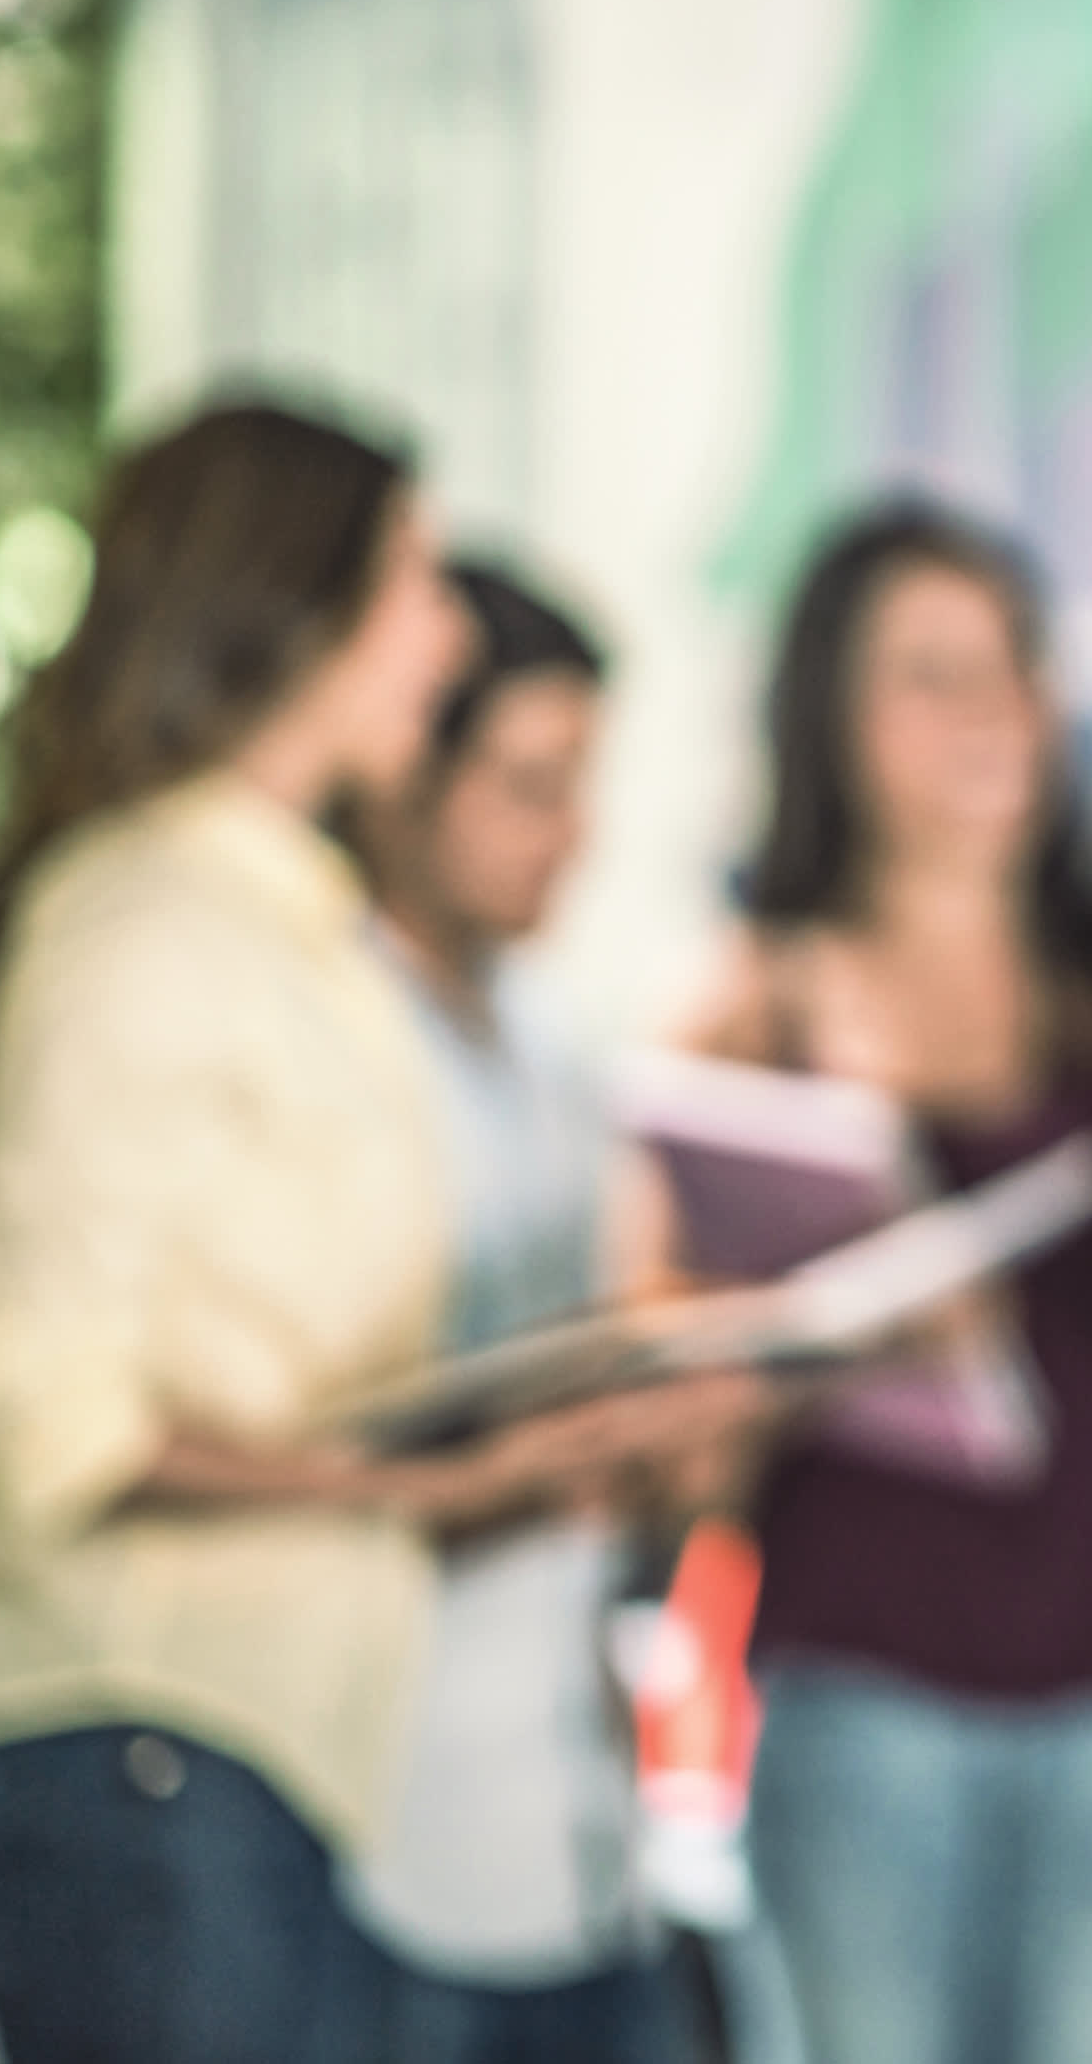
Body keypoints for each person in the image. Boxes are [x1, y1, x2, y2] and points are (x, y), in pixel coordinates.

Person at [0, 402, 753, 2064]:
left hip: (250, 1764)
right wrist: (430, 1485)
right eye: (415, 582)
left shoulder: (290, 928)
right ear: (296, 608)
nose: (443, 637)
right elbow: (46, 1413)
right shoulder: (147, 921)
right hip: (136, 1752)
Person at [680, 501, 1092, 2064]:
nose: (993, 713)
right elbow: (675, 1420)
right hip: (867, 1691)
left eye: (1014, 666)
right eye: (932, 674)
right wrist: (839, 1337)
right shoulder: (751, 1005)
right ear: (829, 716)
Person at [355, 559, 753, 2063]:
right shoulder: (336, 1035)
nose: (572, 834)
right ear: (405, 776)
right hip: (389, 1840)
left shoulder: (547, 1034)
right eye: (531, 783)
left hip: (581, 1830)